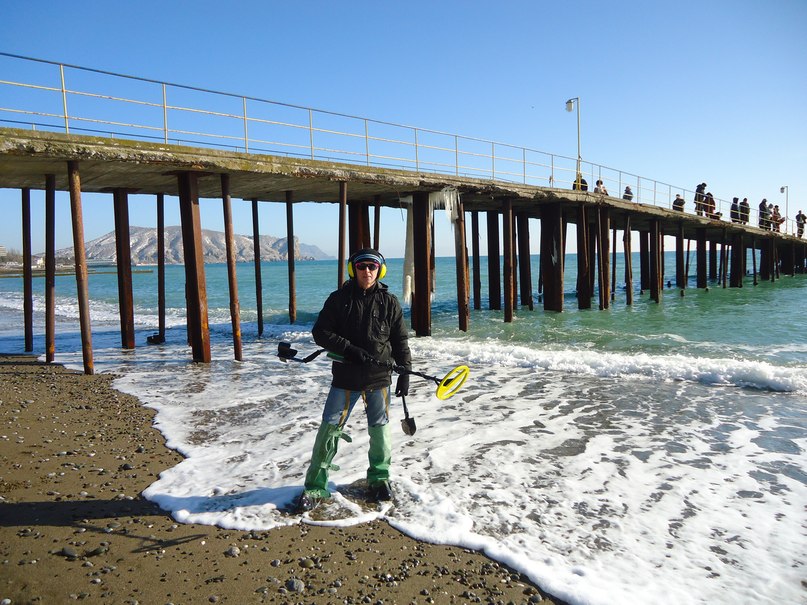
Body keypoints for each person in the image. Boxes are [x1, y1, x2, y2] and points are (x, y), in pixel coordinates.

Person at [295, 248, 412, 512]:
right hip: (345, 377)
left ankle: (380, 480)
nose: (367, 271)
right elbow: (321, 332)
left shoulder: (390, 302)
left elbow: (400, 341)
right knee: (329, 431)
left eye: (372, 267)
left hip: (379, 378)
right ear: (353, 269)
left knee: (380, 433)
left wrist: (405, 372)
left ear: (379, 270)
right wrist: (349, 349)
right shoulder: (339, 299)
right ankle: (315, 486)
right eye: (361, 267)